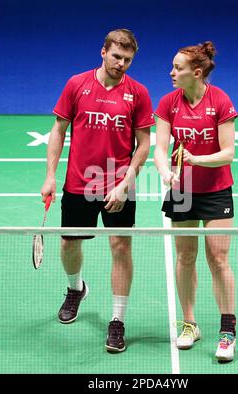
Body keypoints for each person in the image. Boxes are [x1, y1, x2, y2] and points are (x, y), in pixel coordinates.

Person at [41, 29, 155, 353]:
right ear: (103, 52)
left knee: (121, 248)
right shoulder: (77, 84)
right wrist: (50, 176)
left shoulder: (138, 93)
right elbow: (58, 130)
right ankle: (76, 289)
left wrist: (126, 183)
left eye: (128, 60)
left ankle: (117, 320)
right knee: (69, 244)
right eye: (117, 57)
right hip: (79, 182)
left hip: (118, 185)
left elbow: (144, 144)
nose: (121, 64)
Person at [154, 41, 238, 362]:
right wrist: (166, 172)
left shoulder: (220, 100)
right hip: (183, 188)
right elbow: (161, 148)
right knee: (185, 256)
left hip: (216, 188)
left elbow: (228, 152)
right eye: (173, 67)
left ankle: (228, 330)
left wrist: (195, 160)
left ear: (197, 72)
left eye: (178, 68)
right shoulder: (168, 103)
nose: (172, 72)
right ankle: (189, 323)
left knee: (217, 258)